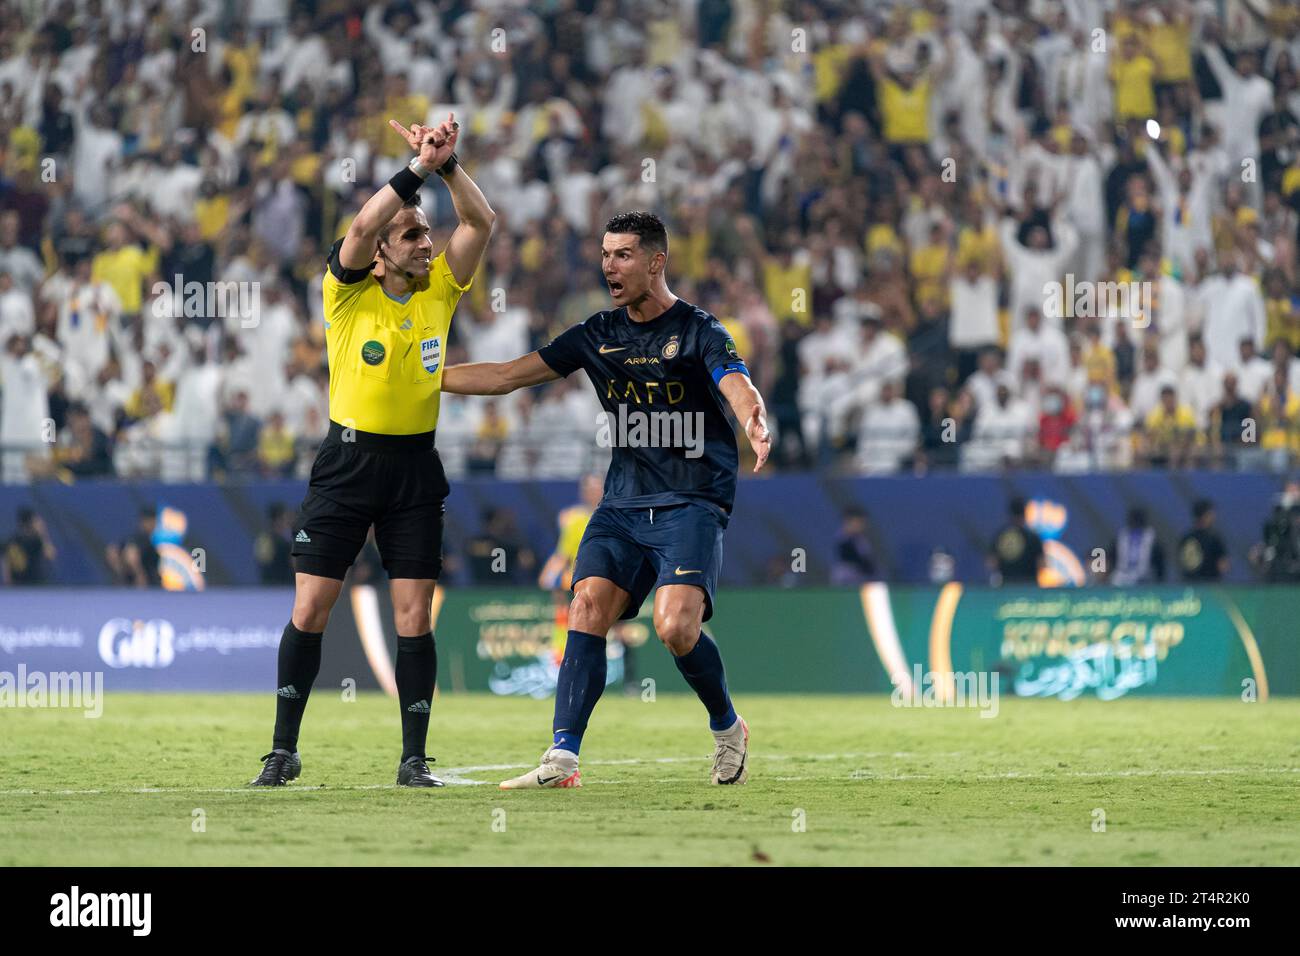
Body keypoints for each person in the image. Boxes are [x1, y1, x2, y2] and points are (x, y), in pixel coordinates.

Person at [442, 211, 772, 788]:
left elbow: (735, 381)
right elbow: (506, 376)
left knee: (675, 630)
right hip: (622, 503)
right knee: (588, 606)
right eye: (604, 254)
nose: (609, 266)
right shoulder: (597, 333)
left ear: (656, 262)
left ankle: (728, 727)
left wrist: (754, 419)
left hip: (691, 501)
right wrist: (426, 377)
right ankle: (562, 758)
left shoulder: (699, 330)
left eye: (622, 255)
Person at [249, 112, 495, 788]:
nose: (428, 241)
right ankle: (283, 750)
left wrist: (447, 166)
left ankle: (414, 759)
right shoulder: (345, 295)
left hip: (415, 469)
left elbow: (481, 224)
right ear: (382, 252)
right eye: (413, 233)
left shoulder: (440, 290)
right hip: (347, 465)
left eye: (426, 232)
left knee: (414, 615)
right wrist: (414, 170)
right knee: (311, 608)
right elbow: (359, 227)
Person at [987, 497, 1043, 586]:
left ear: (1010, 515)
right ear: (1024, 514)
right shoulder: (1032, 537)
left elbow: (992, 563)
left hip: (1007, 586)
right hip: (1029, 587)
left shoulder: (1001, 536)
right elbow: (1041, 563)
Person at [1107, 507, 1165, 585]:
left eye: (1137, 520)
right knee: (1115, 579)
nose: (1135, 523)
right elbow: (1112, 556)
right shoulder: (1122, 536)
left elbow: (1159, 560)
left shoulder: (1151, 537)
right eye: (1133, 520)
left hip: (1145, 574)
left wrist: (1159, 578)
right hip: (1123, 573)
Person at [2, 507, 56, 585]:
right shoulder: (12, 543)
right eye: (36, 522)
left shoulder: (38, 541)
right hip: (20, 587)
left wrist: (43, 535)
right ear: (28, 523)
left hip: (39, 585)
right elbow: (5, 565)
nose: (39, 524)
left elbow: (50, 556)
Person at [1178, 498, 1228, 581]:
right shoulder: (1214, 539)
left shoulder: (1186, 538)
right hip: (1210, 586)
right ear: (1204, 516)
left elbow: (1183, 563)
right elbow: (1223, 565)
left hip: (1190, 585)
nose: (1214, 517)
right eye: (1211, 514)